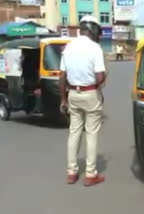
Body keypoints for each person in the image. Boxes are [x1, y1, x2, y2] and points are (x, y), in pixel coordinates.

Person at [59, 15, 107, 186]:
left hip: (73, 94)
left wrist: (63, 99)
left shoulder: (68, 47)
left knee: (74, 132)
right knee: (91, 133)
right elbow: (100, 76)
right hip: (90, 93)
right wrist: (95, 85)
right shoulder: (95, 48)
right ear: (93, 29)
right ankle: (90, 174)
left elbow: (62, 76)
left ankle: (71, 172)